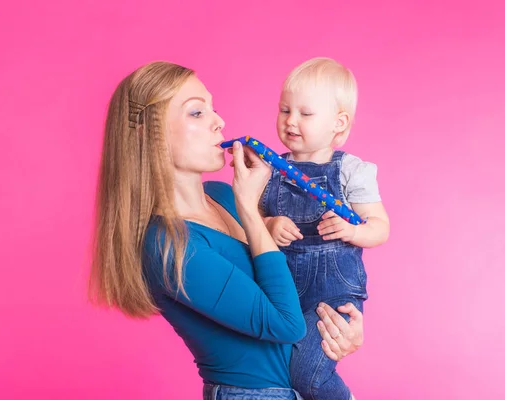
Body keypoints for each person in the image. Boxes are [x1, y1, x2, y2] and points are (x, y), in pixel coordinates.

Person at [89, 61, 365, 400]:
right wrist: (250, 210)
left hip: (305, 386)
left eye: (213, 109)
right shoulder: (165, 245)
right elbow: (286, 324)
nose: (219, 121)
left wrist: (340, 328)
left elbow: (293, 286)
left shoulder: (222, 195)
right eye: (196, 113)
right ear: (148, 132)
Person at [260, 57, 390, 399]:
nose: (291, 121)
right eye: (285, 110)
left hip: (333, 298)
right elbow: (250, 223)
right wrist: (269, 224)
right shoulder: (269, 170)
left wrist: (352, 230)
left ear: (338, 123)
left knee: (308, 374)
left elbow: (380, 228)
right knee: (279, 375)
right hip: (283, 294)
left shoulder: (351, 171)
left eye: (305, 113)